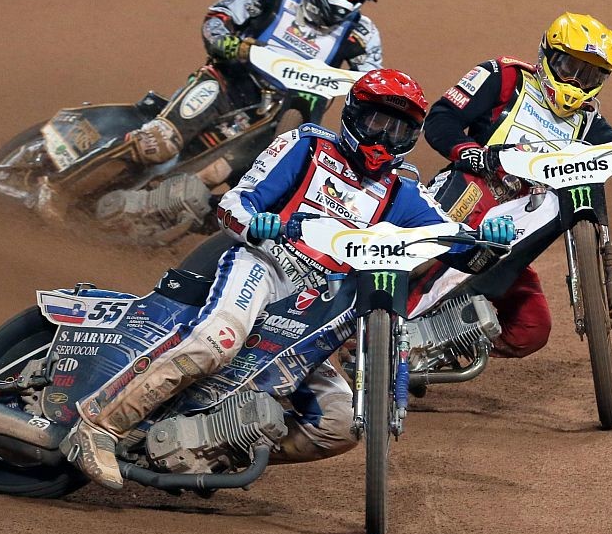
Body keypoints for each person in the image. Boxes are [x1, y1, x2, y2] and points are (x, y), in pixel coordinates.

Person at [60, 69, 517, 489]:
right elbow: (235, 203)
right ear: (354, 115)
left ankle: (213, 448)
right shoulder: (307, 146)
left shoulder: (403, 191)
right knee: (217, 341)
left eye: (398, 130)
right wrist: (256, 225)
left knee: (341, 423)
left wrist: (491, 238)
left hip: (315, 307)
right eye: (377, 121)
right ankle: (97, 426)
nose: (384, 137)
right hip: (265, 265)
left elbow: (451, 239)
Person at [45, 0, 387, 206]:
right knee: (156, 144)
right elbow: (217, 19)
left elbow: (372, 93)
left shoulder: (364, 35)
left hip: (277, 126)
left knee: (237, 194)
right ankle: (56, 191)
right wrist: (232, 46)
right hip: (225, 87)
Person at [418, 12, 612, 359]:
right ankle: (383, 322)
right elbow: (442, 117)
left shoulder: (587, 121)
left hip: (518, 227)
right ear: (546, 55)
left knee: (531, 330)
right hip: (471, 192)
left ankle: (438, 346)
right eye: (569, 67)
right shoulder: (504, 76)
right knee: (430, 252)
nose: (576, 82)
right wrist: (468, 151)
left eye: (589, 75)